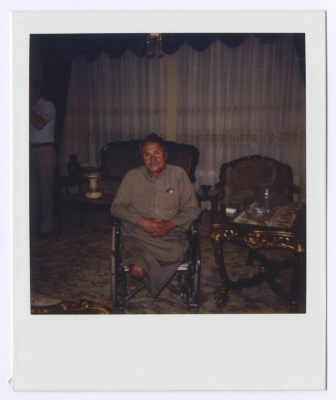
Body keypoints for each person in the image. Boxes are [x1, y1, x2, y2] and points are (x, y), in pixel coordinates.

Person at [111, 133, 201, 298]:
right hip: (138, 235)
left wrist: (170, 224)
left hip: (171, 237)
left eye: (157, 153)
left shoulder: (179, 174)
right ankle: (153, 270)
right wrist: (143, 222)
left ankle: (152, 272)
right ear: (142, 158)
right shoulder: (132, 177)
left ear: (165, 156)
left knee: (174, 253)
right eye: (147, 154)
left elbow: (193, 209)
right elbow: (116, 207)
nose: (152, 158)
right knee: (137, 272)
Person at [29, 79, 57, 238]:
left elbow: (39, 124)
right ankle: (32, 228)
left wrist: (26, 109)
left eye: (28, 89)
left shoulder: (47, 105)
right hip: (29, 151)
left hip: (45, 150)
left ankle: (46, 229)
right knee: (31, 191)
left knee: (46, 191)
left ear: (37, 91)